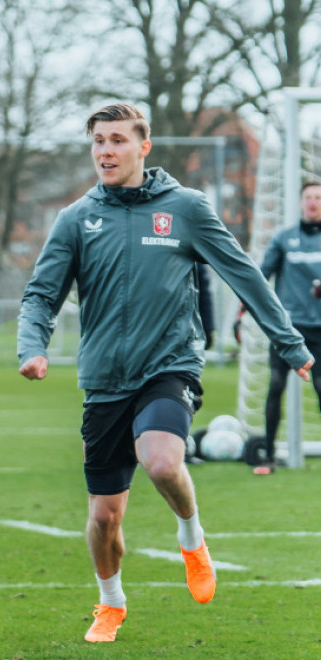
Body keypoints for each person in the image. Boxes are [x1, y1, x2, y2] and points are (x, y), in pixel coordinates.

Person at [17, 103, 314, 644]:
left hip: (169, 365)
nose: (105, 151)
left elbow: (244, 275)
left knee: (160, 461)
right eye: (98, 142)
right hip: (105, 378)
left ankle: (191, 536)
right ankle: (110, 603)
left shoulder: (185, 208)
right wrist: (31, 346)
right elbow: (41, 294)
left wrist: (289, 344)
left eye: (117, 140)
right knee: (106, 518)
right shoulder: (75, 219)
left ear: (143, 146)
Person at [256, 181, 321, 475]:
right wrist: (241, 314)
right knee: (276, 386)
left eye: (318, 197)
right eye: (308, 197)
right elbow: (259, 278)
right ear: (300, 202)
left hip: (319, 329)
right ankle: (268, 456)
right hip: (288, 330)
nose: (313, 202)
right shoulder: (284, 239)